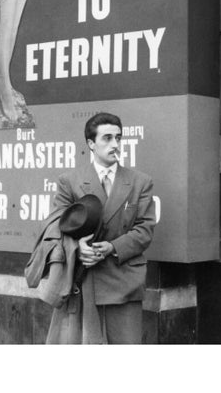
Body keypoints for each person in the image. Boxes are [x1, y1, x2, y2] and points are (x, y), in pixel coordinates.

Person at [46, 112, 156, 344]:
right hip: (84, 282)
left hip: (124, 281)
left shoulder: (140, 182)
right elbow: (56, 228)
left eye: (118, 138)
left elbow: (144, 230)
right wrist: (78, 247)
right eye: (107, 138)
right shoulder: (70, 181)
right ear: (91, 144)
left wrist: (112, 247)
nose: (115, 144)